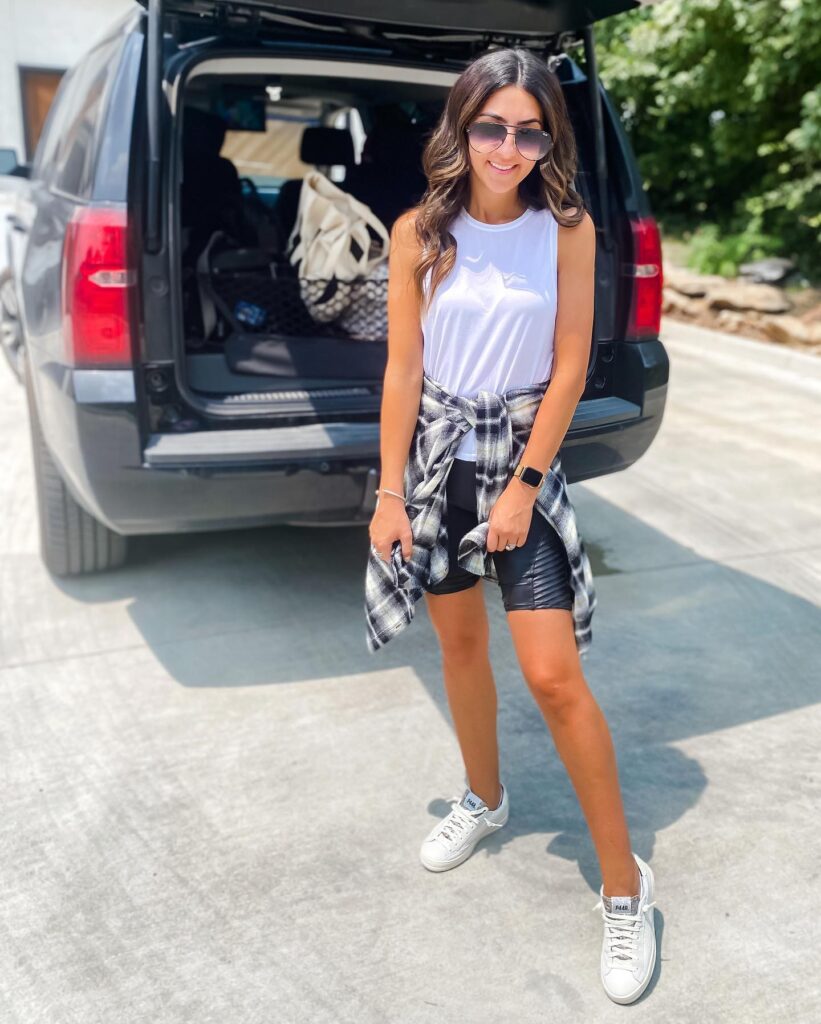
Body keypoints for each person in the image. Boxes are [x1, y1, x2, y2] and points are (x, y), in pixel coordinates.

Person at [365, 47, 658, 1005]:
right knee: (456, 650)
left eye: (528, 130)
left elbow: (571, 365)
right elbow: (403, 373)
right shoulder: (419, 232)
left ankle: (625, 887)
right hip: (438, 466)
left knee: (550, 675)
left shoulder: (564, 228)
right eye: (491, 125)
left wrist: (526, 482)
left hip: (518, 463)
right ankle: (484, 799)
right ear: (463, 127)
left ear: (546, 139)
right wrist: (386, 495)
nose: (508, 146)